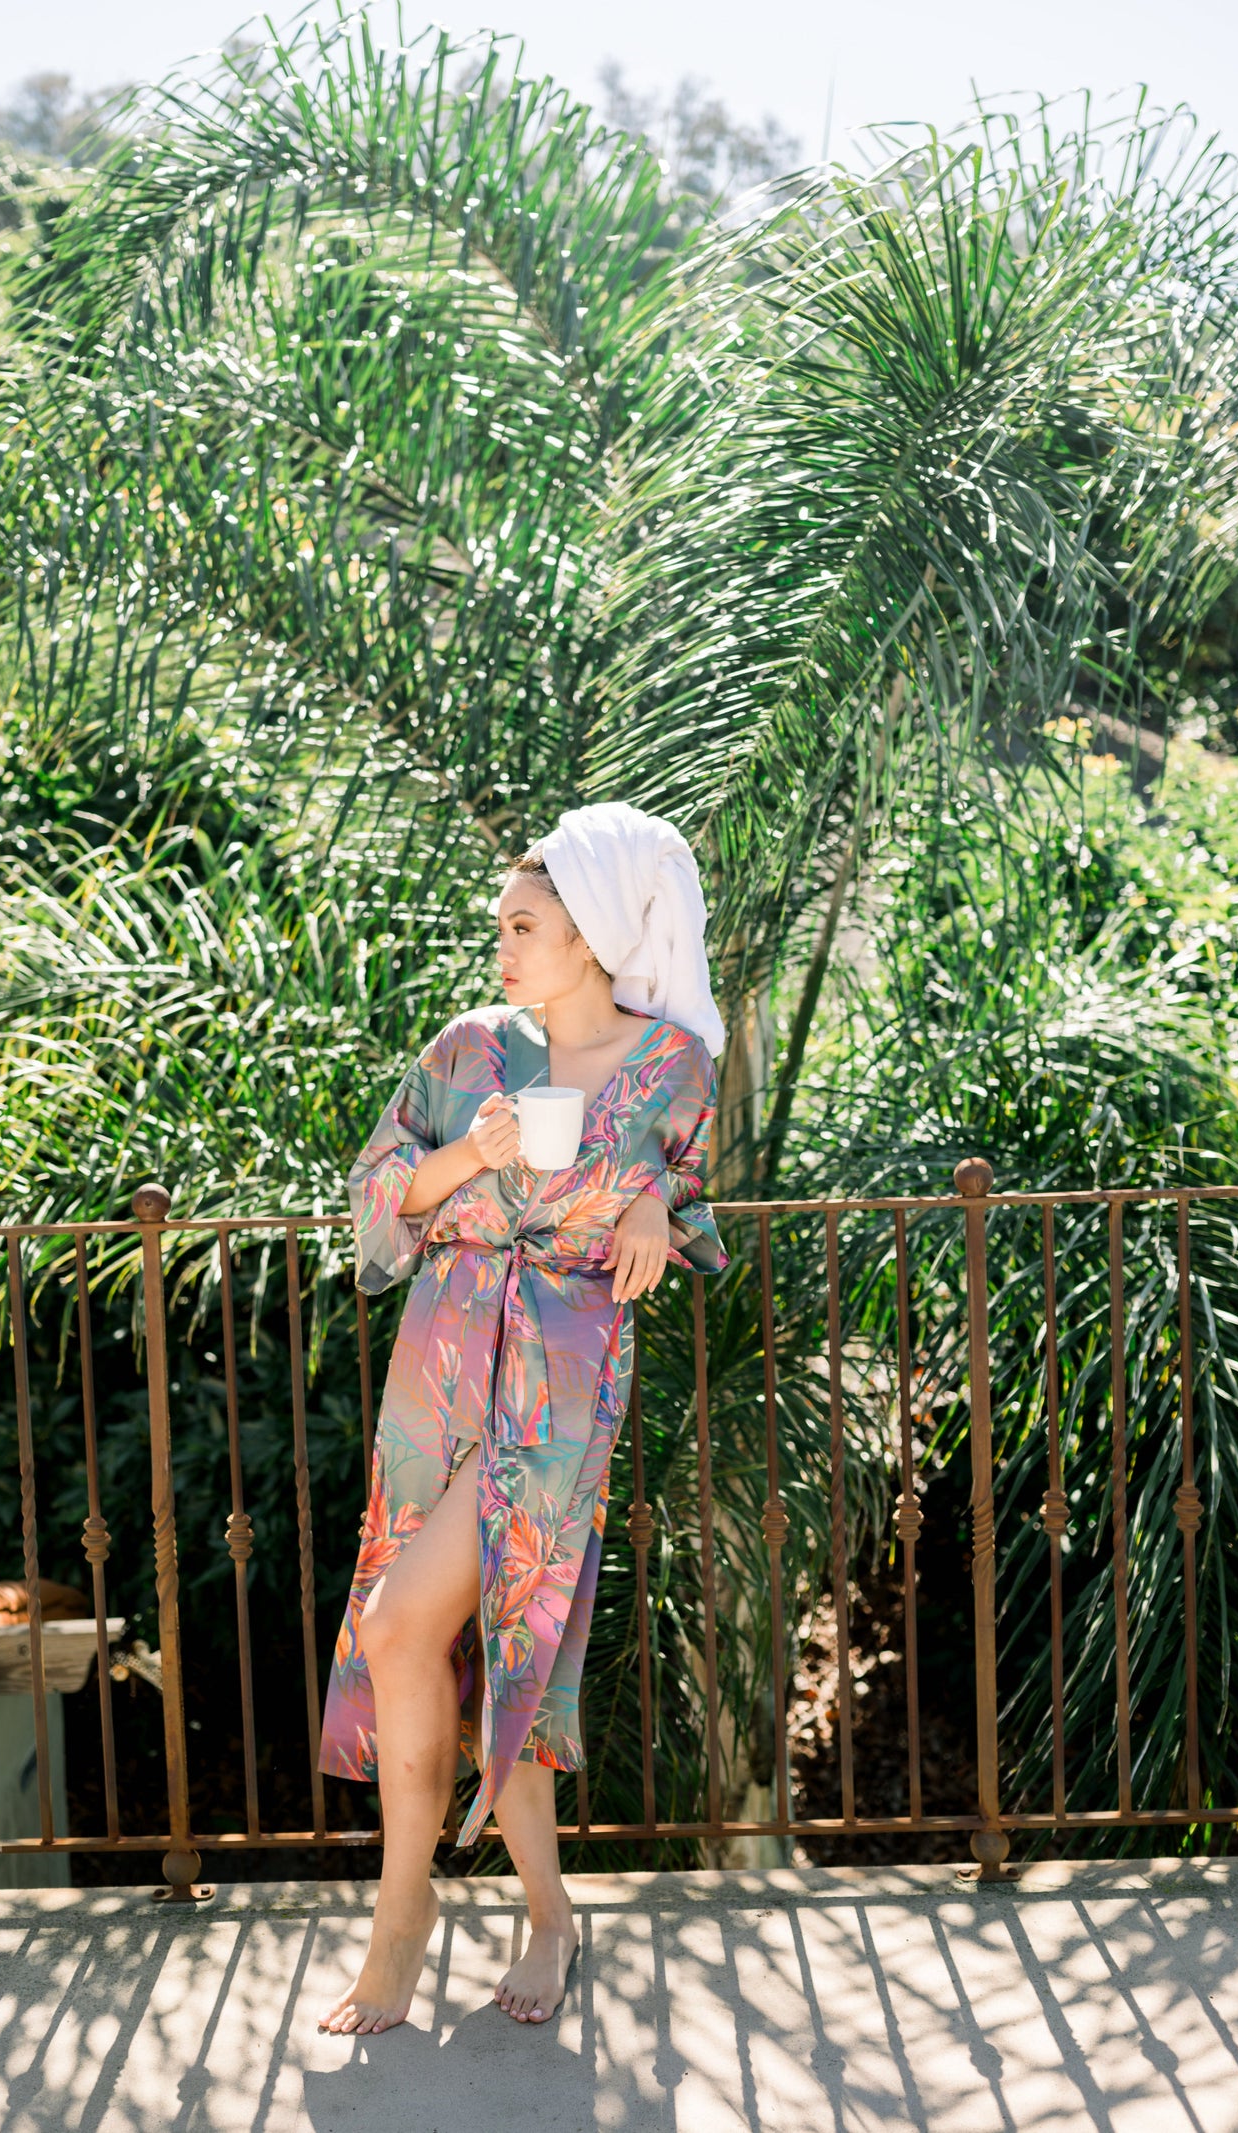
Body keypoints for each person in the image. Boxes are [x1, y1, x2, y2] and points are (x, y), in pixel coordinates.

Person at [317, 800, 728, 2037]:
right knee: (445, 1638)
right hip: (438, 1362)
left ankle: (436, 1920)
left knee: (475, 1632)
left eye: (522, 923)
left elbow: (688, 1201)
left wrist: (654, 1200)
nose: (500, 942)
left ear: (592, 936)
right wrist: (464, 1161)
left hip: (558, 1376)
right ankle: (508, 1911)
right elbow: (378, 1199)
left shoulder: (672, 1068)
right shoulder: (466, 1052)